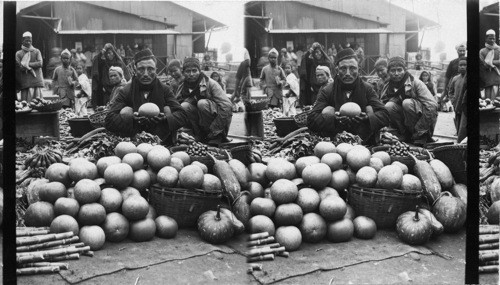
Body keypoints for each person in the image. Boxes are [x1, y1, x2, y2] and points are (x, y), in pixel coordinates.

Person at [307, 48, 390, 144]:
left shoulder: (367, 89)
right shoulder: (328, 90)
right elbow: (311, 120)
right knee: (328, 110)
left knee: (370, 109)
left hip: (363, 138)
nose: (347, 73)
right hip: (335, 139)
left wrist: (368, 119)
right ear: (337, 70)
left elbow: (385, 115)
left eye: (352, 68)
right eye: (343, 68)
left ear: (358, 69)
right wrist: (333, 119)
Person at [105, 49, 188, 144]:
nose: (145, 74)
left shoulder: (164, 89)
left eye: (150, 69)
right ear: (135, 70)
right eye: (141, 69)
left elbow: (183, 116)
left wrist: (165, 119)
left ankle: (166, 144)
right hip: (134, 136)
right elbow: (109, 120)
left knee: (168, 110)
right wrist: (131, 120)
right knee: (126, 111)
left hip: (160, 136)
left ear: (156, 70)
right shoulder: (126, 90)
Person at [380, 56, 438, 145]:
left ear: (405, 70)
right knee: (389, 106)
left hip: (422, 124)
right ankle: (404, 134)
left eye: (399, 70)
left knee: (407, 103)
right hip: (405, 123)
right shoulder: (388, 86)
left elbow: (432, 106)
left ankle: (420, 136)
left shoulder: (416, 83)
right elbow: (381, 107)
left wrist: (420, 129)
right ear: (388, 72)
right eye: (393, 70)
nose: (396, 73)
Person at [175, 58, 233, 145]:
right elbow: (176, 106)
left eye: (194, 71)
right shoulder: (183, 87)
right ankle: (199, 135)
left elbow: (227, 106)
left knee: (202, 103)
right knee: (184, 106)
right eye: (188, 71)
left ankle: (216, 136)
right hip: (200, 124)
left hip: (217, 125)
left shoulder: (211, 84)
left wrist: (215, 130)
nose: (191, 74)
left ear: (200, 71)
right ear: (183, 73)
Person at [91, 43, 131, 108]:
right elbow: (96, 60)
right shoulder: (104, 63)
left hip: (118, 89)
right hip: (107, 91)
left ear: (114, 53)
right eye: (106, 53)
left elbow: (124, 77)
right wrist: (103, 50)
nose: (108, 55)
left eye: (110, 53)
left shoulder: (119, 63)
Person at [299, 42, 334, 107]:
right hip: (314, 89)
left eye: (318, 52)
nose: (317, 54)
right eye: (315, 53)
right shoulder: (313, 62)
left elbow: (330, 76)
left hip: (326, 87)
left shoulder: (327, 63)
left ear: (321, 52)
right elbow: (305, 59)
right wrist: (311, 49)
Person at [15, 31, 44, 101]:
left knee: (38, 102)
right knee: (26, 103)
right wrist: (28, 65)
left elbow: (40, 63)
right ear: (22, 41)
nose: (28, 42)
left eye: (30, 41)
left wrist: (26, 64)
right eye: (26, 41)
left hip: (36, 80)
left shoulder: (37, 51)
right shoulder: (18, 53)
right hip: (25, 82)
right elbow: (19, 67)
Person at [448, 57, 467, 134]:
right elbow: (450, 91)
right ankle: (458, 132)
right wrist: (453, 100)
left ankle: (462, 133)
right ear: (458, 67)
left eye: (465, 65)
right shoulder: (455, 78)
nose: (462, 67)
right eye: (460, 65)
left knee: (464, 119)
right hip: (456, 103)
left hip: (465, 104)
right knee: (457, 117)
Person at [480, 30, 500, 101]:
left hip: (497, 79)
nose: (492, 40)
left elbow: (487, 63)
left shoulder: (499, 49)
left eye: (493, 38)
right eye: (490, 38)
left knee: (496, 101)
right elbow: (483, 65)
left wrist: (490, 62)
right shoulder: (482, 51)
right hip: (487, 80)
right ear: (486, 38)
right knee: (487, 101)